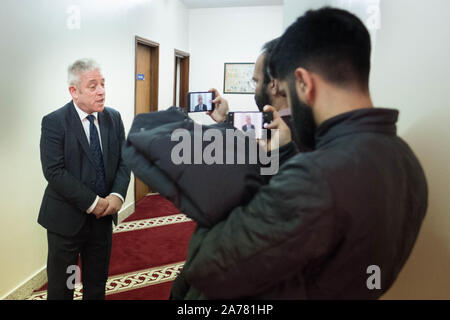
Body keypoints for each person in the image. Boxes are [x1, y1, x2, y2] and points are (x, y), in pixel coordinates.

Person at [173, 7, 428, 299]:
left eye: (289, 89)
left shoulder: (319, 175)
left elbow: (208, 264)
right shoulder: (407, 159)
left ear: (304, 82)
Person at [38, 59, 131, 300]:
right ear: (74, 91)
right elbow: (54, 171)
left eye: (103, 84)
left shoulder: (113, 118)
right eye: (93, 86)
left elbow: (125, 161)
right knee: (62, 289)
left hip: (101, 222)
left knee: (96, 285)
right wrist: (93, 202)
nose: (101, 91)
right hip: (66, 223)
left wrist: (118, 196)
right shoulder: (55, 122)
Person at [207, 37, 308, 150]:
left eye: (256, 81)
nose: (255, 89)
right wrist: (224, 119)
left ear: (274, 85)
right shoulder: (308, 125)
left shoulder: (271, 135)